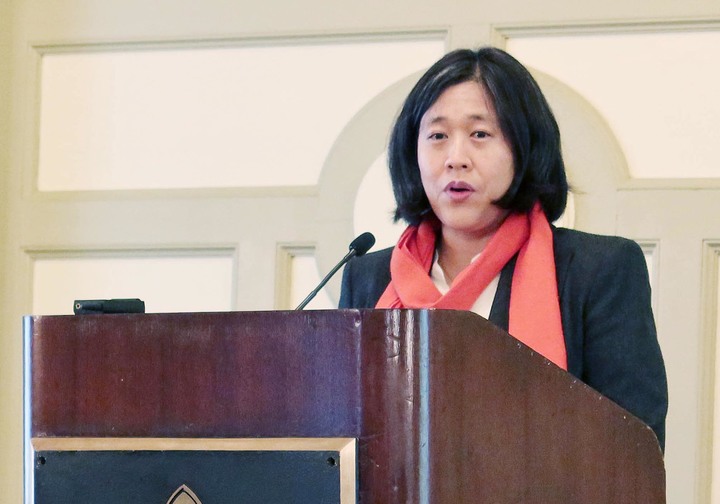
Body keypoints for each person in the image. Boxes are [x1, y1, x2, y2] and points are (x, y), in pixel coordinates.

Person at [338, 47, 668, 449]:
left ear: (524, 148)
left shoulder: (599, 271)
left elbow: (634, 450)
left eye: (480, 134)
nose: (456, 159)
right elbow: (341, 439)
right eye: (438, 136)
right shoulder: (369, 278)